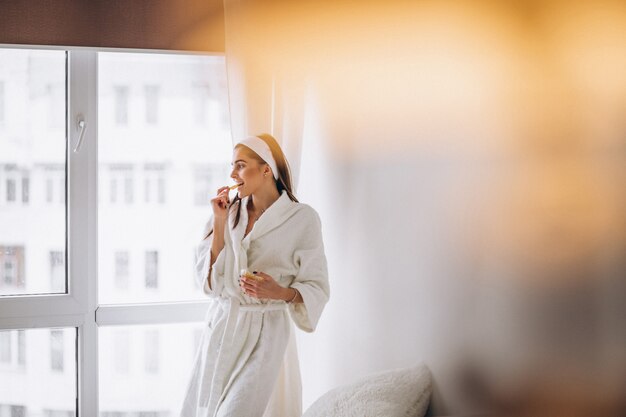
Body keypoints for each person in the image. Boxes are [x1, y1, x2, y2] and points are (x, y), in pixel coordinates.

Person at [180, 133, 330, 417]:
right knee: (206, 409)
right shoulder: (229, 212)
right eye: (232, 166)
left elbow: (317, 285)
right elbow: (210, 284)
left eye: (240, 165)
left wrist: (280, 293)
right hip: (224, 326)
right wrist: (220, 221)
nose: (232, 173)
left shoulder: (302, 219)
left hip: (266, 333)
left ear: (265, 169)